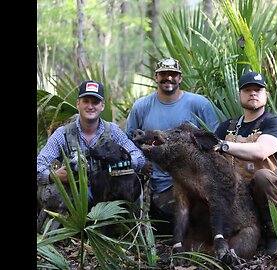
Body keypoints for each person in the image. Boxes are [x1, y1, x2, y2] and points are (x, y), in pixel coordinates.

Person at [124, 57, 222, 237]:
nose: (168, 78)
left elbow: (216, 140)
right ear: (156, 77)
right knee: (167, 228)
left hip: (195, 183)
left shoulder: (199, 104)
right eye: (163, 74)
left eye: (173, 74)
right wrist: (141, 161)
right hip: (160, 186)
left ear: (180, 78)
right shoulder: (142, 106)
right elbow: (128, 141)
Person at [214, 71, 277, 255]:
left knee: (263, 176)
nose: (253, 93)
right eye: (247, 90)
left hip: (265, 193)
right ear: (239, 95)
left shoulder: (275, 123)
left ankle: (275, 233)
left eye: (258, 89)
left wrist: (223, 145)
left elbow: (261, 152)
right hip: (234, 194)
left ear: (266, 94)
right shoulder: (227, 127)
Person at [37, 79, 146, 207]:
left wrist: (123, 162)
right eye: (86, 101)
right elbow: (39, 165)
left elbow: (139, 158)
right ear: (78, 103)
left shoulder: (113, 131)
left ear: (102, 106)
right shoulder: (63, 134)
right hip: (75, 200)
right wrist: (53, 176)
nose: (90, 106)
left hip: (107, 198)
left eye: (95, 102)